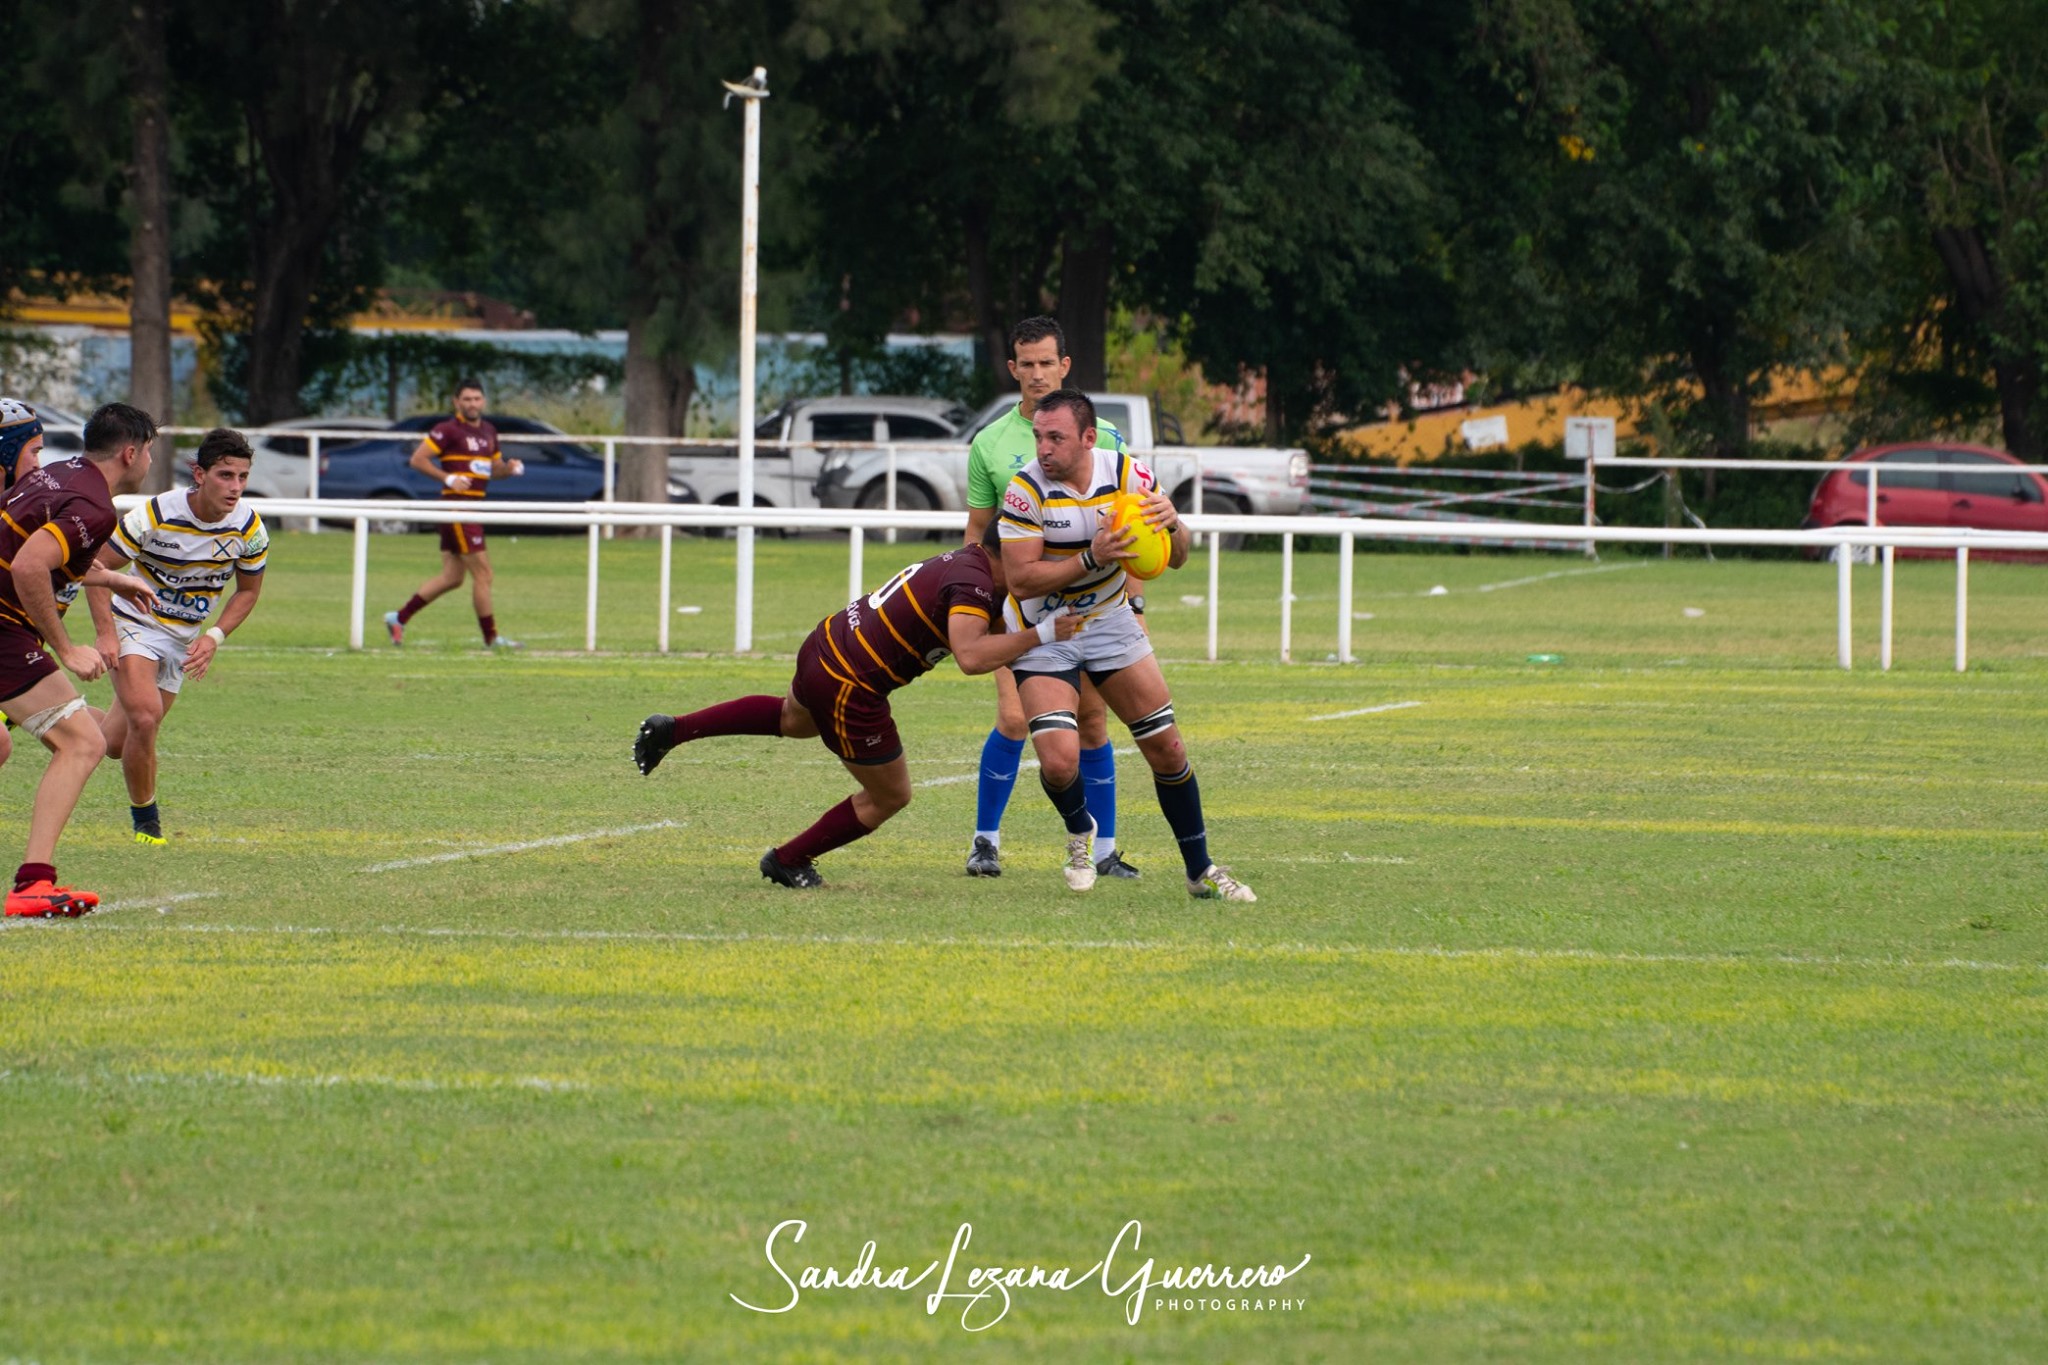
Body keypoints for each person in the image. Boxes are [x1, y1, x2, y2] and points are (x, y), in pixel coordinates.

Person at [631, 525, 1079, 888]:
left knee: (794, 720)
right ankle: (788, 860)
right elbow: (971, 656)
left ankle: (674, 729)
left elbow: (998, 631)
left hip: (826, 643)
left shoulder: (969, 562)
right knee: (891, 795)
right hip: (849, 681)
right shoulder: (975, 583)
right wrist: (1044, 635)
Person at [997, 388, 1255, 901]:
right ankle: (1080, 832)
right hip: (1045, 630)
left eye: (1056, 437)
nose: (1043, 448)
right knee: (1058, 761)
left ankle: (1199, 869)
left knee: (1167, 746)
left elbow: (1175, 557)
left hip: (1110, 619)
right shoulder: (1024, 491)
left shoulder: (1129, 476)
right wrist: (1091, 559)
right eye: (1038, 436)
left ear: (1089, 438)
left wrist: (1173, 522)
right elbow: (1022, 580)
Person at [961, 316, 1136, 881]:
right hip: (1021, 611)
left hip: (1096, 613)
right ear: (1012, 369)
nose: (1036, 375)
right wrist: (976, 610)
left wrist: (1133, 604)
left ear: (1065, 366)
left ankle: (1104, 850)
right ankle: (985, 841)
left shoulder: (1103, 438)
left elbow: (1133, 532)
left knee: (1093, 723)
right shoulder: (989, 444)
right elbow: (976, 538)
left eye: (1046, 363)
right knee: (1014, 718)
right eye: (1026, 364)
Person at [0, 402, 159, 918]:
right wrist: (66, 649)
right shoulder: (95, 506)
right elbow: (29, 564)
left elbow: (34, 548)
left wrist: (112, 578)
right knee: (84, 740)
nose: (151, 461)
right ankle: (33, 883)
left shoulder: (57, 474)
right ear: (131, 453)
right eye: (150, 451)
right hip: (3, 630)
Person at [88, 427, 269, 845]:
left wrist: (215, 637)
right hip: (135, 622)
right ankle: (147, 824)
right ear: (199, 473)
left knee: (117, 742)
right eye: (225, 475)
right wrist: (106, 634)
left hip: (182, 638)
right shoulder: (154, 515)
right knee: (146, 717)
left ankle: (42, 711)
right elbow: (95, 569)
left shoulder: (249, 528)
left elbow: (248, 592)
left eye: (242, 477)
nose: (235, 487)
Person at [383, 379, 523, 649]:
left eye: (477, 399)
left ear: (484, 401)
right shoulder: (447, 430)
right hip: (457, 509)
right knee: (484, 574)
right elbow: (418, 459)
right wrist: (448, 479)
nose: (472, 404)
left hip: (472, 508)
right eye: (467, 399)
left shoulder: (489, 431)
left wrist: (509, 468)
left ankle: (398, 618)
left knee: (453, 577)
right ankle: (492, 639)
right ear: (456, 402)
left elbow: (492, 468)